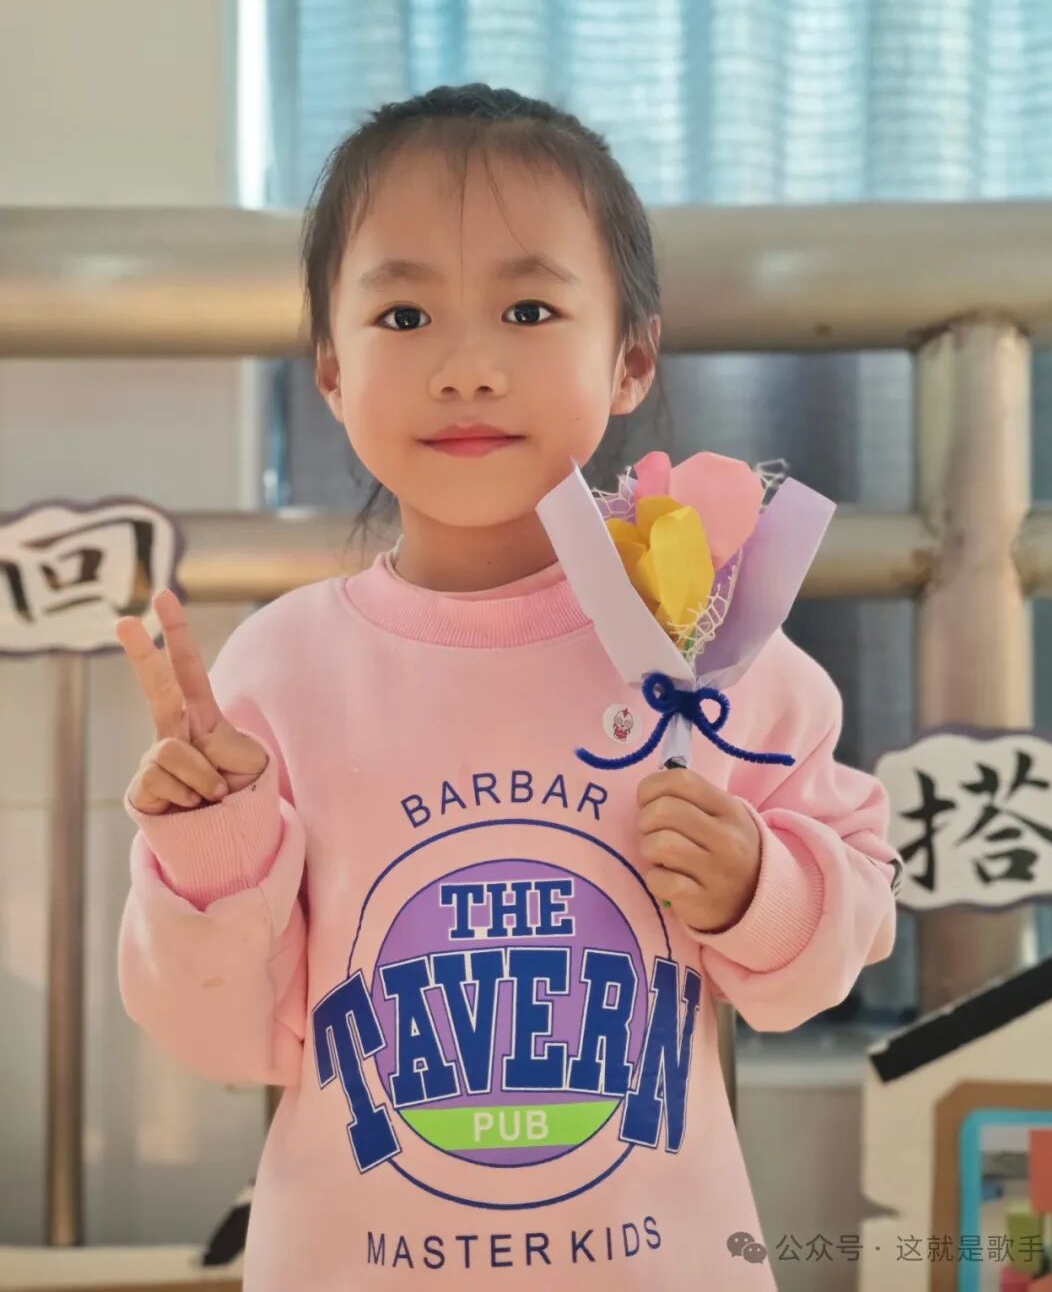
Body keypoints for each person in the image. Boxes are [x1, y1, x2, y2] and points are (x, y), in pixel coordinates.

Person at [115, 83, 900, 1291]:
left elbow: (828, 957)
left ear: (630, 357)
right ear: (330, 370)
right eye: (405, 313)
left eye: (529, 309)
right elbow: (226, 1038)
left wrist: (764, 885)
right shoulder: (279, 667)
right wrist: (213, 855)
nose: (468, 367)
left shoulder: (709, 646)